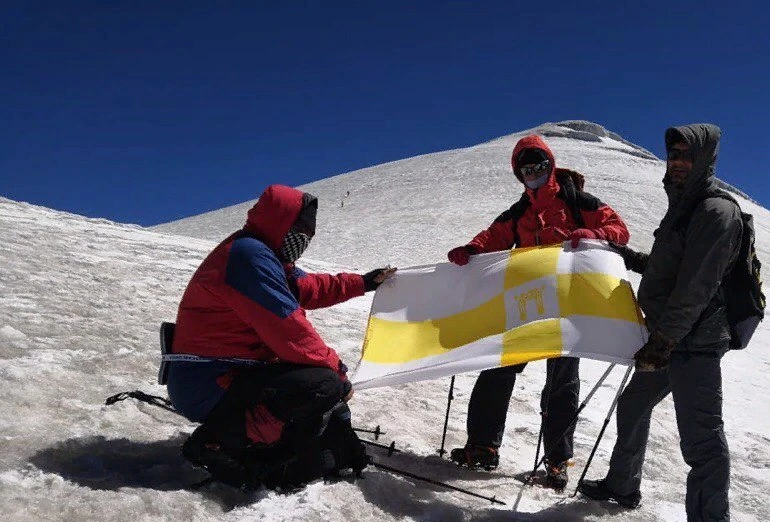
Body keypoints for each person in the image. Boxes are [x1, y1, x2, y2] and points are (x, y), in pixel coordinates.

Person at [579, 124, 741, 522]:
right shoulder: (684, 209)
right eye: (674, 154)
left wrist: (664, 340)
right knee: (633, 405)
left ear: (705, 160)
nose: (679, 161)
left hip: (695, 342)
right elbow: (669, 267)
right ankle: (622, 486)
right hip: (671, 338)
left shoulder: (715, 212)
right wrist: (626, 257)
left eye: (688, 155)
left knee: (701, 434)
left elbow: (697, 285)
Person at [168, 184, 395, 489]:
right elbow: (288, 329)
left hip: (227, 373)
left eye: (308, 234)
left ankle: (270, 444)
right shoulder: (249, 258)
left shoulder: (264, 255)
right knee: (322, 385)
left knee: (323, 393)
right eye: (299, 230)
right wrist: (338, 373)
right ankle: (218, 441)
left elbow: (311, 288)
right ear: (280, 223)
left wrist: (364, 282)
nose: (303, 239)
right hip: (209, 381)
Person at [446, 135, 630, 490]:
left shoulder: (579, 202)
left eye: (539, 166)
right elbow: (493, 237)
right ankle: (483, 446)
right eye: (526, 169)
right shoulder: (520, 211)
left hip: (569, 308)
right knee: (497, 371)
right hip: (527, 305)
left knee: (561, 385)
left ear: (551, 164)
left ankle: (557, 463)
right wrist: (471, 250)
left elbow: (619, 231)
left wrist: (593, 232)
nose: (534, 173)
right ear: (519, 174)